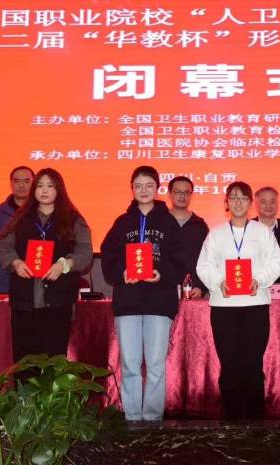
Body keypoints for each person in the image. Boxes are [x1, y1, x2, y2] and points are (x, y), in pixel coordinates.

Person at [100, 166, 183, 422]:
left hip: (160, 302)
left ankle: (153, 419)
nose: (143, 190)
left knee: (156, 364)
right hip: (128, 302)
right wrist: (122, 273)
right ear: (132, 189)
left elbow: (181, 259)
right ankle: (133, 418)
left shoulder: (169, 222)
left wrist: (162, 273)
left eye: (149, 185)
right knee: (130, 364)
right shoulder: (122, 223)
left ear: (157, 188)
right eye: (138, 186)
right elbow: (108, 254)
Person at [197, 181, 280, 420]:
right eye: (233, 198)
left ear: (250, 203)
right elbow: (204, 266)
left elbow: (276, 262)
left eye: (243, 198)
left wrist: (259, 279)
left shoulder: (262, 232)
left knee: (253, 362)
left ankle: (256, 417)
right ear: (226, 202)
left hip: (255, 305)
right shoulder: (215, 234)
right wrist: (219, 281)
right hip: (224, 307)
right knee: (229, 363)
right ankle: (232, 417)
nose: (238, 202)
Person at [0, 168, 93, 363]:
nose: (44, 190)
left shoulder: (73, 219)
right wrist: (15, 262)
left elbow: (85, 253)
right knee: (24, 360)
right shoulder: (20, 218)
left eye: (50, 186)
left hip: (58, 300)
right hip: (24, 301)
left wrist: (64, 265)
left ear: (59, 190)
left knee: (54, 357)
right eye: (39, 186)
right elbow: (2, 245)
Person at [0, 166, 35, 297]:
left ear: (34, 183)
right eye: (17, 181)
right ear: (11, 184)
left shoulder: (42, 211)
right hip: (4, 282)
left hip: (35, 281)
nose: (21, 185)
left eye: (26, 181)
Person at [167, 175, 210, 298]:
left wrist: (200, 286)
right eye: (178, 192)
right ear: (169, 194)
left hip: (192, 290)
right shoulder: (160, 222)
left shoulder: (199, 225)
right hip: (163, 289)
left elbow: (206, 259)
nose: (182, 196)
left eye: (186, 192)